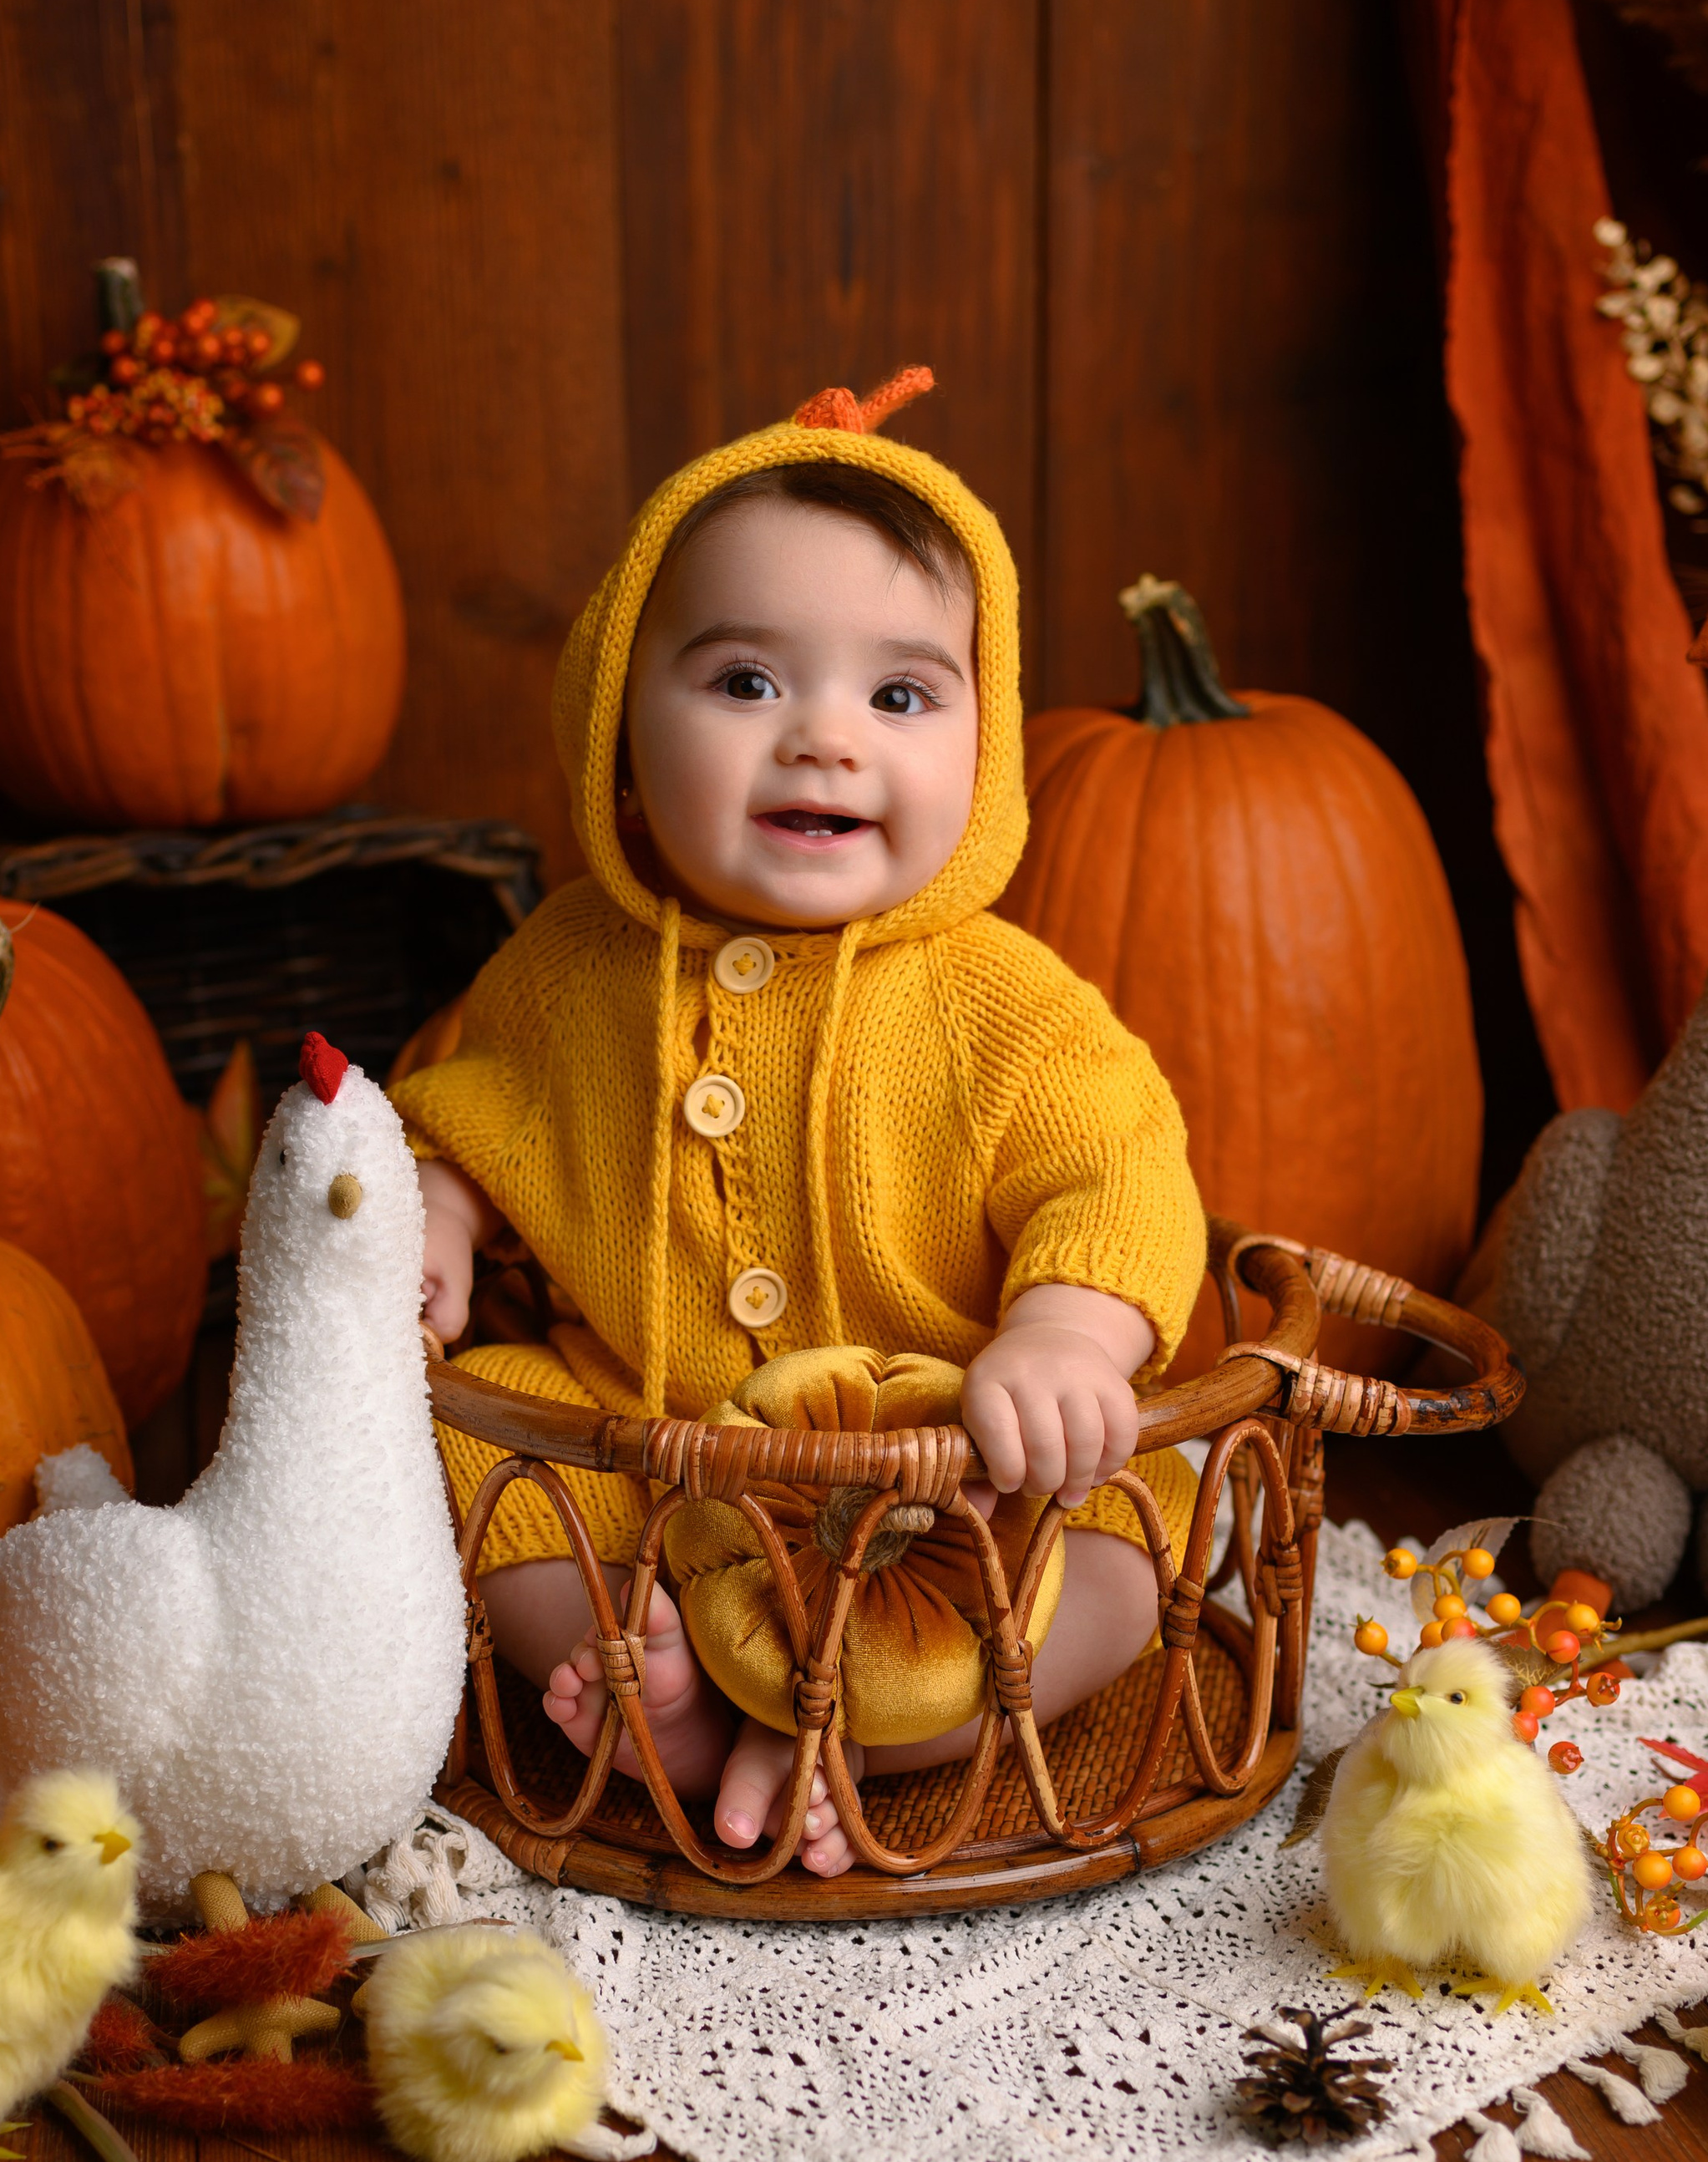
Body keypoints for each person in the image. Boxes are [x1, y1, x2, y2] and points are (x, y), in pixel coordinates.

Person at [394, 372, 1205, 1875]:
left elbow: (1116, 1167)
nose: (825, 741)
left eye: (899, 696)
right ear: (620, 726)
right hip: (659, 1458)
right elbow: (470, 1107)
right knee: (466, 1460)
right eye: (748, 683)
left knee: (1122, 1553)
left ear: (986, 742)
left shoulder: (1001, 1002)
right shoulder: (572, 970)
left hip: (950, 1485)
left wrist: (1065, 1340)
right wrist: (436, 1216)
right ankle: (673, 1692)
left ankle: (866, 1724)